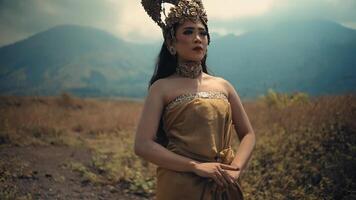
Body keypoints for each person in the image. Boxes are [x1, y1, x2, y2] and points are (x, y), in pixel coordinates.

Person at [135, 0, 256, 199]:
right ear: (171, 44)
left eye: (202, 32)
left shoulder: (223, 86)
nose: (198, 38)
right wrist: (196, 166)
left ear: (208, 42)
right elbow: (142, 145)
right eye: (189, 32)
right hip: (180, 186)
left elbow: (248, 134)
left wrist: (235, 170)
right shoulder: (161, 88)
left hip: (223, 184)